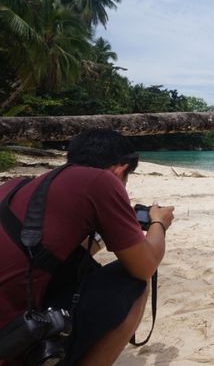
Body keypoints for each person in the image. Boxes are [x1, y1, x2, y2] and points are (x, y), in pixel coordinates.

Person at [0, 129, 174, 366]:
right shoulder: (101, 181)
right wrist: (158, 223)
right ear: (121, 169)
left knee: (82, 265)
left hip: (11, 326)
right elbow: (144, 266)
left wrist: (110, 230)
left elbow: (48, 257)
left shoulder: (17, 186)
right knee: (133, 283)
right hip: (13, 340)